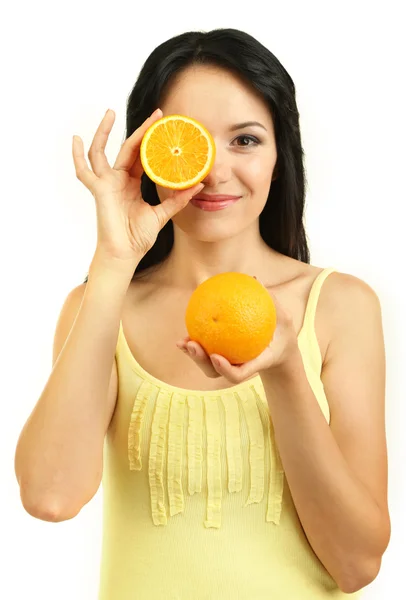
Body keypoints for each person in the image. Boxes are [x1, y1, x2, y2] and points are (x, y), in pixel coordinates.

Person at [14, 28, 390, 599]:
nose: (214, 173)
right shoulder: (100, 307)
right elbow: (49, 497)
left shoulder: (339, 307)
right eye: (191, 142)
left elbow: (357, 564)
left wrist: (286, 370)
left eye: (245, 140)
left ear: (280, 156)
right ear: (149, 152)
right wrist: (115, 261)